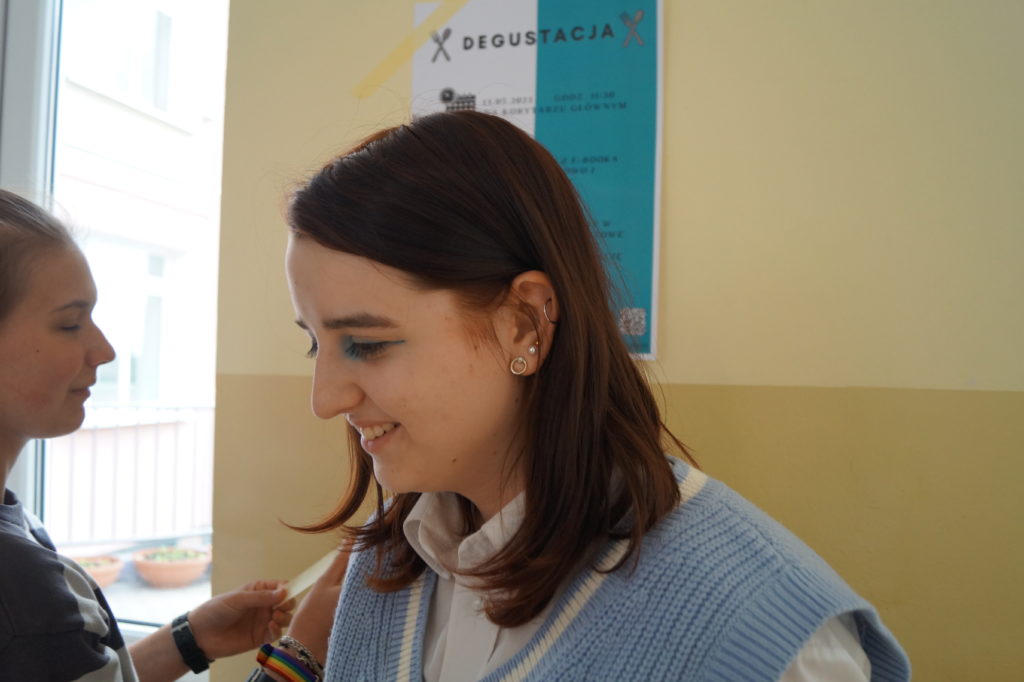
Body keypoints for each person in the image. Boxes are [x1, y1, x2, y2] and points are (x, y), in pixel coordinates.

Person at [276, 110, 911, 681]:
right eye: (314, 344)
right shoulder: (387, 566)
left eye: (367, 343)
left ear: (523, 323)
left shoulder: (761, 636)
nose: (325, 400)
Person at [0, 188, 297, 681]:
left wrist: (189, 640)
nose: (105, 351)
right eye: (70, 324)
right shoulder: (19, 589)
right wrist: (301, 655)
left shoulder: (17, 535)